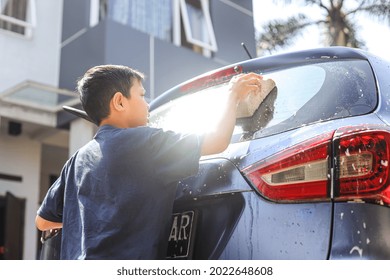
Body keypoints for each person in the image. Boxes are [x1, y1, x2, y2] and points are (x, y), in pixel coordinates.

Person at [35, 65, 263, 259]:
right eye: (142, 95)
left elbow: (43, 221)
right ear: (119, 102)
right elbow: (217, 140)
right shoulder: (144, 142)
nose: (147, 104)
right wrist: (232, 94)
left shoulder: (76, 160)